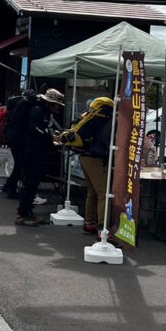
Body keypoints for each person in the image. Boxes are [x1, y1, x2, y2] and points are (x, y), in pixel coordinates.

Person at [60, 97, 114, 236]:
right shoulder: (108, 122)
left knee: (92, 192)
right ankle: (103, 229)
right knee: (104, 194)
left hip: (84, 156)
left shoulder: (91, 119)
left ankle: (89, 223)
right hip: (95, 159)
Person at [15, 88, 65, 226]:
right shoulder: (39, 111)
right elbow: (36, 130)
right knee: (30, 183)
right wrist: (51, 137)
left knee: (32, 182)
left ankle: (27, 211)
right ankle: (23, 213)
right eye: (57, 104)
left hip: (32, 151)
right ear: (50, 102)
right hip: (29, 152)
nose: (58, 107)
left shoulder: (43, 111)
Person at [1, 89, 35, 199]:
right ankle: (10, 187)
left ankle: (9, 186)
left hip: (12, 138)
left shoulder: (14, 105)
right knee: (20, 165)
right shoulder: (25, 106)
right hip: (20, 139)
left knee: (18, 164)